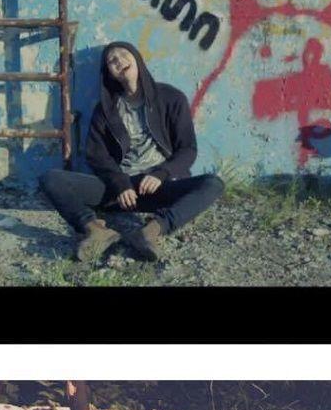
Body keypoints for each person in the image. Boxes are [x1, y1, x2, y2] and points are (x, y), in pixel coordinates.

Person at [41, 41, 224, 262]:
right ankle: (96, 231)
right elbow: (95, 154)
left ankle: (151, 231)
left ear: (137, 58)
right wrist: (119, 182)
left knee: (213, 183)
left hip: (159, 187)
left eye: (123, 55)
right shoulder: (105, 109)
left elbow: (188, 149)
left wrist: (161, 173)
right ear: (109, 72)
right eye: (112, 61)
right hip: (120, 192)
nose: (119, 61)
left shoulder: (171, 98)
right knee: (51, 179)